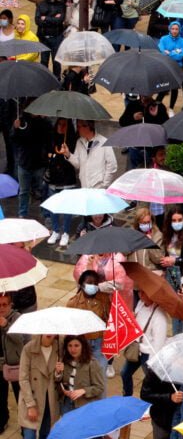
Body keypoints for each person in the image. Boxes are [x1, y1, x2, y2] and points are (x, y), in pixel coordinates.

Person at [120, 287, 168, 397]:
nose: (140, 295)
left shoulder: (159, 317)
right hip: (137, 349)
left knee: (151, 381)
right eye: (139, 291)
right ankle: (127, 397)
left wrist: (153, 362)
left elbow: (159, 343)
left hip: (148, 354)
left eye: (143, 292)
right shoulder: (140, 305)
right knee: (125, 373)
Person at [66, 270, 110, 380]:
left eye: (95, 284)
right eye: (89, 283)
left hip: (100, 342)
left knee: (100, 376)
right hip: (82, 343)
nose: (92, 286)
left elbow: (109, 317)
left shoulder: (103, 298)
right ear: (81, 285)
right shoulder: (73, 303)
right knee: (82, 377)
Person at [18, 334, 60, 439]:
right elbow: (23, 379)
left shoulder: (59, 348)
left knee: (45, 435)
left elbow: (59, 380)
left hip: (50, 401)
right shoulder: (29, 348)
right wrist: (30, 405)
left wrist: (58, 373)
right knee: (29, 435)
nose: (49, 332)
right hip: (31, 399)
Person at [59, 120, 118, 189]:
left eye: (79, 126)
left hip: (99, 188)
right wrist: (68, 154)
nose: (77, 129)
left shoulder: (103, 141)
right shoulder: (79, 142)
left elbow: (112, 165)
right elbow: (78, 165)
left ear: (88, 126)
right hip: (85, 187)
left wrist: (104, 185)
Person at [45, 118, 77, 247]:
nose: (61, 127)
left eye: (64, 125)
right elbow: (46, 153)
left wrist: (66, 154)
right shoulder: (51, 138)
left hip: (67, 180)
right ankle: (56, 230)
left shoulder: (72, 141)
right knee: (53, 207)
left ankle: (66, 232)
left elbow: (74, 160)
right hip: (53, 178)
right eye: (59, 124)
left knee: (66, 208)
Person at [55, 335, 104, 414]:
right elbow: (59, 383)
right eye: (70, 346)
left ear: (83, 346)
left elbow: (100, 387)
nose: (73, 349)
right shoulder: (64, 362)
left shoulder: (92, 363)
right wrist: (58, 373)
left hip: (84, 406)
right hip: (67, 405)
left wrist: (84, 390)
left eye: (76, 345)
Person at [0, 293, 24, 433]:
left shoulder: (17, 318)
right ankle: (2, 421)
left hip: (15, 364)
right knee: (1, 396)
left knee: (20, 395)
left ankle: (24, 425)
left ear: (10, 305)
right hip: (0, 363)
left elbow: (19, 339)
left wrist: (6, 326)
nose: (2, 308)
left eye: (5, 304)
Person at [141, 367, 183, 439]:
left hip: (181, 419)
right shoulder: (158, 369)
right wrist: (169, 397)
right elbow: (145, 394)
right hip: (162, 420)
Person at [35, 0, 65, 79]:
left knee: (56, 62)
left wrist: (46, 18)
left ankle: (57, 83)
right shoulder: (41, 4)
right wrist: (53, 18)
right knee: (43, 62)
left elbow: (59, 20)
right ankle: (43, 81)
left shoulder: (61, 5)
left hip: (56, 38)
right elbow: (38, 20)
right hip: (44, 38)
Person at [157, 21, 183, 109]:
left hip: (177, 67)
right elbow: (161, 52)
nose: (174, 31)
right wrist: (173, 53)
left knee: (174, 88)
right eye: (173, 29)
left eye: (176, 29)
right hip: (165, 66)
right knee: (164, 88)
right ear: (169, 29)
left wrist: (168, 53)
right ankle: (156, 105)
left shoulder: (182, 41)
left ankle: (171, 108)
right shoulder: (163, 39)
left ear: (179, 30)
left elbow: (180, 56)